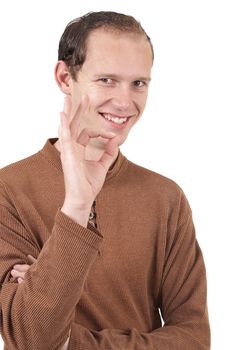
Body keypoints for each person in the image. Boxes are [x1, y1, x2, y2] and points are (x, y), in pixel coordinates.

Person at [0, 11, 210, 350]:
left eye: (139, 83)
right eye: (107, 80)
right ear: (65, 77)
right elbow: (32, 338)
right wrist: (76, 207)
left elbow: (194, 340)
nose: (126, 102)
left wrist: (70, 343)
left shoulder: (166, 198)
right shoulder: (7, 190)